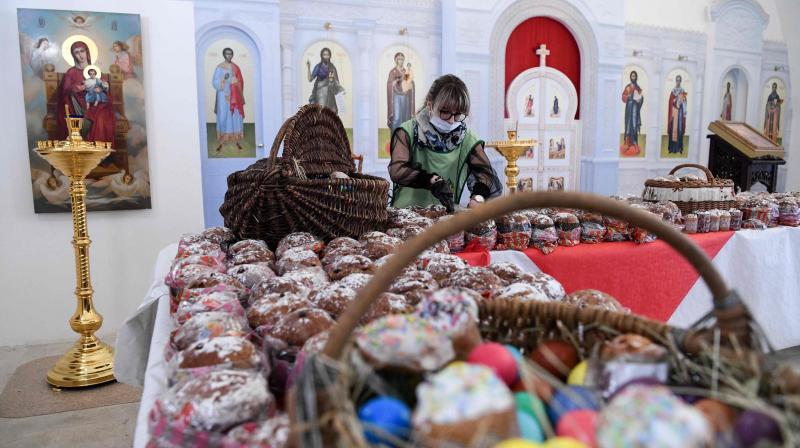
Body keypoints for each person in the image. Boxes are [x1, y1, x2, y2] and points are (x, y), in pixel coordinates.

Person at [389, 75, 502, 211]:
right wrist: (430, 180)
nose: (451, 121)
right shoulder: (407, 132)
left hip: (444, 215)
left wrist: (478, 197)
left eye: (458, 115)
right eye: (445, 112)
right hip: (407, 214)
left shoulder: (467, 138)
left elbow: (486, 175)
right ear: (430, 105)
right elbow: (397, 170)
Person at [55, 41, 115, 143]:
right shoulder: (71, 73)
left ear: (87, 52)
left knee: (102, 116)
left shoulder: (95, 70)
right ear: (73, 55)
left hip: (97, 104)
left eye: (82, 51)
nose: (80, 55)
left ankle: (99, 150)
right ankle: (83, 145)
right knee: (91, 115)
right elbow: (65, 91)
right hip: (77, 106)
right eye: (76, 52)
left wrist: (101, 88)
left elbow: (104, 86)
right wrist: (80, 88)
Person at [212, 47, 246, 152]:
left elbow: (241, 81)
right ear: (224, 55)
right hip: (223, 96)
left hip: (234, 96)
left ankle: (236, 141)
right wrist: (223, 79)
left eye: (231, 54)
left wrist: (236, 82)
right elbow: (215, 82)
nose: (229, 56)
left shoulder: (235, 67)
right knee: (223, 116)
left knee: (234, 116)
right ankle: (222, 141)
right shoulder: (219, 67)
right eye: (227, 54)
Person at [307, 47, 343, 114]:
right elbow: (310, 79)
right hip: (320, 93)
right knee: (321, 111)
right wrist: (308, 67)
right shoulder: (318, 67)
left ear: (330, 56)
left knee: (331, 112)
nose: (326, 56)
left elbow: (336, 81)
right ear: (321, 56)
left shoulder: (332, 67)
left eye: (328, 55)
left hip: (330, 92)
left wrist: (332, 80)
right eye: (324, 55)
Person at [387, 52, 415, 130]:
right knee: (397, 117)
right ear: (396, 60)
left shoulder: (405, 71)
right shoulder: (393, 71)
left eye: (402, 60)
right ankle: (395, 137)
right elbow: (390, 84)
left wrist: (410, 83)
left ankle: (403, 137)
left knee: (405, 117)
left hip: (405, 96)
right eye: (399, 59)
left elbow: (407, 81)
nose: (400, 61)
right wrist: (394, 82)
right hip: (396, 96)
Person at [621, 70, 643, 156]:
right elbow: (623, 97)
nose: (633, 78)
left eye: (634, 76)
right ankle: (627, 144)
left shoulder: (638, 88)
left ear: (636, 77)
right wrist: (628, 96)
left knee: (634, 125)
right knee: (628, 125)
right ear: (630, 77)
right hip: (629, 107)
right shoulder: (628, 87)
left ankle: (635, 144)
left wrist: (639, 99)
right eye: (632, 76)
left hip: (635, 108)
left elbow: (641, 99)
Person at [667, 75, 687, 154]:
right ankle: (672, 149)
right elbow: (670, 102)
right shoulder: (673, 91)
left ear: (680, 81)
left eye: (679, 80)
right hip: (674, 112)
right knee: (673, 130)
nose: (678, 82)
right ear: (675, 81)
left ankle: (679, 148)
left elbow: (685, 102)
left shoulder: (682, 91)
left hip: (680, 112)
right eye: (677, 80)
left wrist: (683, 101)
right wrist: (674, 100)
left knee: (679, 129)